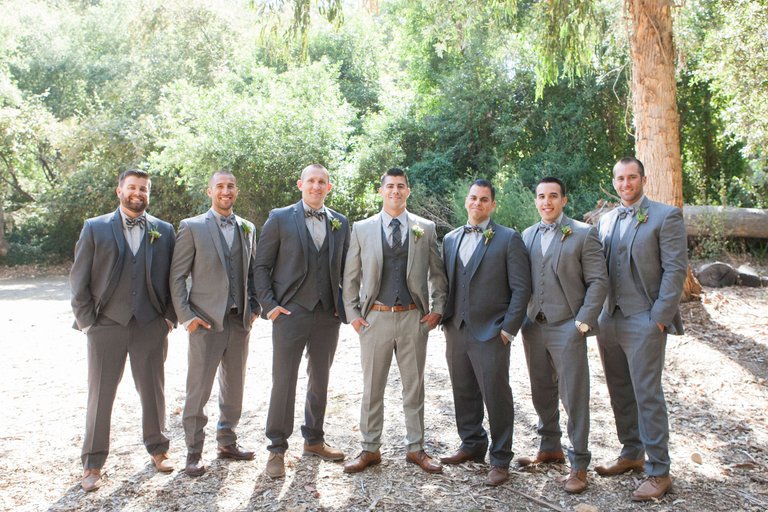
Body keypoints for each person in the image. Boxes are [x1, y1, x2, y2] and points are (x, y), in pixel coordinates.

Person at [70, 169, 177, 492]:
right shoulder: (95, 228)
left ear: (148, 193)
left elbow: (174, 277)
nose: (138, 193)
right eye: (132, 187)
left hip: (149, 325)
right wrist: (88, 322)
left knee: (153, 391)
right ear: (119, 191)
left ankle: (158, 449)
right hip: (106, 326)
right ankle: (92, 462)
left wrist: (168, 318)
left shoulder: (164, 230)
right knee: (101, 395)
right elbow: (79, 279)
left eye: (143, 188)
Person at [342, 168, 448, 474]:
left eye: (401, 186)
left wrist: (437, 310)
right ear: (381, 191)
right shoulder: (362, 228)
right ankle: (369, 449)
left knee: (414, 388)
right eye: (390, 186)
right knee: (372, 387)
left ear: (408, 191)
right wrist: (354, 315)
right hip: (375, 318)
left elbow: (437, 274)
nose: (395, 191)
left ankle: (416, 448)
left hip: (414, 318)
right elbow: (351, 276)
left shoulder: (424, 228)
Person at [595, 157, 687, 501]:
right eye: (619, 178)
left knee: (647, 394)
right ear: (614, 182)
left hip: (645, 320)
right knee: (620, 390)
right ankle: (631, 452)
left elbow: (675, 270)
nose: (625, 183)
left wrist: (659, 319)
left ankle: (659, 470)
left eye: (631, 177)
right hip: (609, 320)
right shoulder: (605, 221)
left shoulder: (666, 216)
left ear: (643, 180)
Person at [253, 164, 350, 479]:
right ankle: (277, 449)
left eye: (322, 182)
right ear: (300, 184)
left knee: (320, 378)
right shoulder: (280, 218)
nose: (316, 186)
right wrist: (270, 306)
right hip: (290, 313)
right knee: (284, 380)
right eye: (311, 181)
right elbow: (261, 266)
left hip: (327, 315)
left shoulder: (341, 223)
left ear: (329, 187)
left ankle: (314, 439)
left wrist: (342, 305)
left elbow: (348, 268)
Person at [517, 177, 608, 493]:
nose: (546, 202)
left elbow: (599, 282)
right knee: (541, 389)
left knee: (574, 396)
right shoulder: (527, 236)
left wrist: (582, 323)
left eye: (553, 196)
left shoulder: (584, 234)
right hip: (533, 326)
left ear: (564, 200)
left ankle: (579, 464)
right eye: (541, 197)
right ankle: (549, 447)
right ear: (536, 201)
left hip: (568, 326)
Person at [439, 179, 531, 486]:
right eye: (473, 198)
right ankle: (472, 444)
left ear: (492, 205)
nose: (477, 203)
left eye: (484, 199)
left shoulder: (508, 239)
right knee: (462, 389)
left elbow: (521, 288)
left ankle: (501, 457)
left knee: (496, 393)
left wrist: (508, 330)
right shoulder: (450, 239)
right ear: (466, 201)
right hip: (456, 328)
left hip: (492, 332)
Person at [169, 169, 260, 477]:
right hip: (205, 322)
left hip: (238, 322)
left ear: (236, 191)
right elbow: (177, 276)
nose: (226, 191)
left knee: (234, 387)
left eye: (230, 186)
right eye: (219, 186)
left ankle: (227, 440)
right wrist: (187, 316)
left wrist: (255, 307)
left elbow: (251, 274)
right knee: (198, 389)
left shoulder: (247, 227)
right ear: (209, 192)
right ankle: (193, 451)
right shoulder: (192, 227)